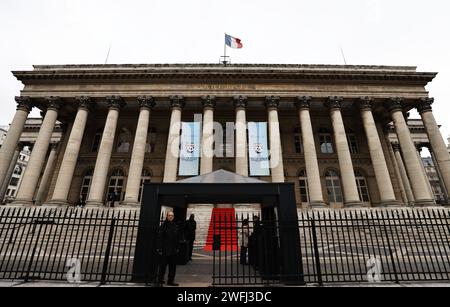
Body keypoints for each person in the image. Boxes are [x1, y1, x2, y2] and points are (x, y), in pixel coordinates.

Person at [156, 211, 181, 287]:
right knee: (162, 267)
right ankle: (160, 281)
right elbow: (160, 237)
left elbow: (177, 238)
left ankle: (170, 280)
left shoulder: (175, 225)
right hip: (165, 249)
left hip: (173, 250)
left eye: (172, 216)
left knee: (172, 267)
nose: (171, 217)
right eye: (169, 215)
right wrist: (159, 248)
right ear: (167, 216)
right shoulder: (163, 225)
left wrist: (177, 247)